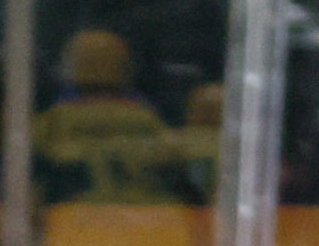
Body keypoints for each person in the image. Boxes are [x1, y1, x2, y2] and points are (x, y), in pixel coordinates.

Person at [36, 27, 199, 208]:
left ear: (69, 65)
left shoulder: (50, 124)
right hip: (151, 219)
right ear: (126, 67)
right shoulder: (150, 120)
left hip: (73, 219)